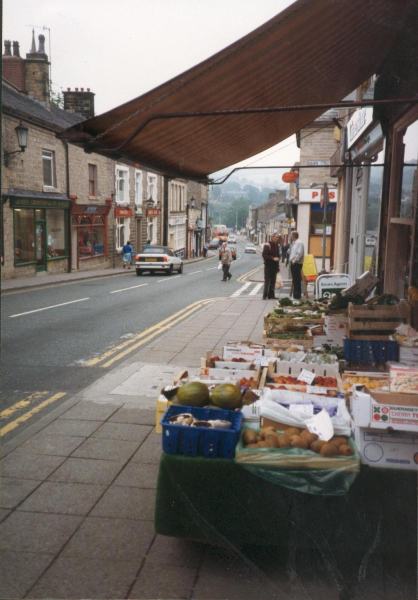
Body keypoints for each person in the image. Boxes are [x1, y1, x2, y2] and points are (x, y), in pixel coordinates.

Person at [262, 233, 281, 300]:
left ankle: (271, 295)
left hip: (274, 266)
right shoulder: (267, 245)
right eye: (277, 237)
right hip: (268, 266)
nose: (278, 239)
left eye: (278, 237)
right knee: (267, 281)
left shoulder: (276, 245)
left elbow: (278, 256)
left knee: (273, 281)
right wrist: (272, 258)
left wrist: (278, 266)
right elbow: (264, 255)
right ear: (272, 237)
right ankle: (264, 295)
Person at [289, 231, 305, 299]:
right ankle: (295, 294)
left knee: (297, 279)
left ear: (293, 236)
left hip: (296, 263)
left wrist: (294, 261)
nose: (290, 237)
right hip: (293, 263)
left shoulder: (299, 243)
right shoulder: (294, 243)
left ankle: (297, 295)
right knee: (295, 279)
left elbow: (299, 253)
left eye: (291, 236)